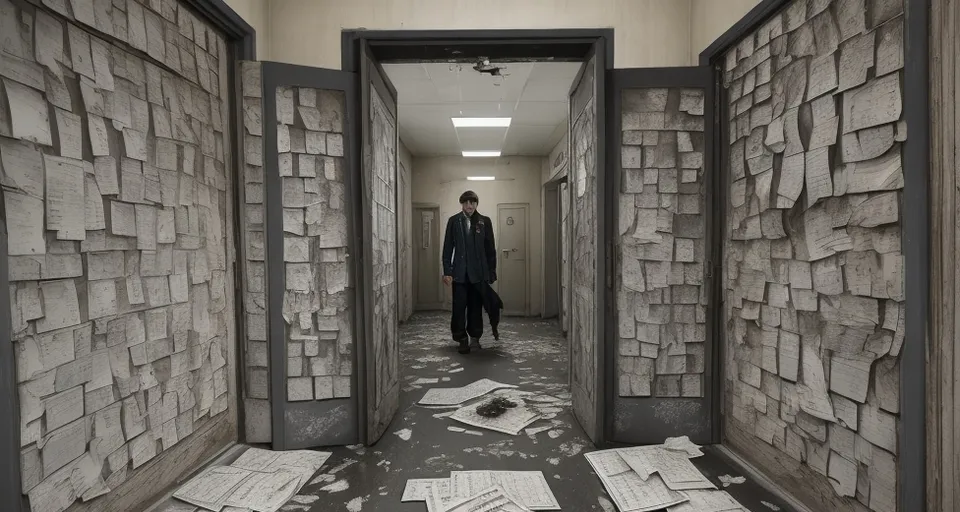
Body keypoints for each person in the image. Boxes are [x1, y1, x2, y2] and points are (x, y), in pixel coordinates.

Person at [442, 190, 498, 354]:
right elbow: (447, 248)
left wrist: (491, 271)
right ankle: (461, 338)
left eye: (472, 202)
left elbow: (490, 249)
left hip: (478, 274)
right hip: (459, 273)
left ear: (476, 204)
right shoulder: (454, 221)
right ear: (462, 204)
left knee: (475, 307)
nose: (469, 206)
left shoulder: (484, 221)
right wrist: (447, 271)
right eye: (466, 203)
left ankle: (475, 338)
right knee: (459, 308)